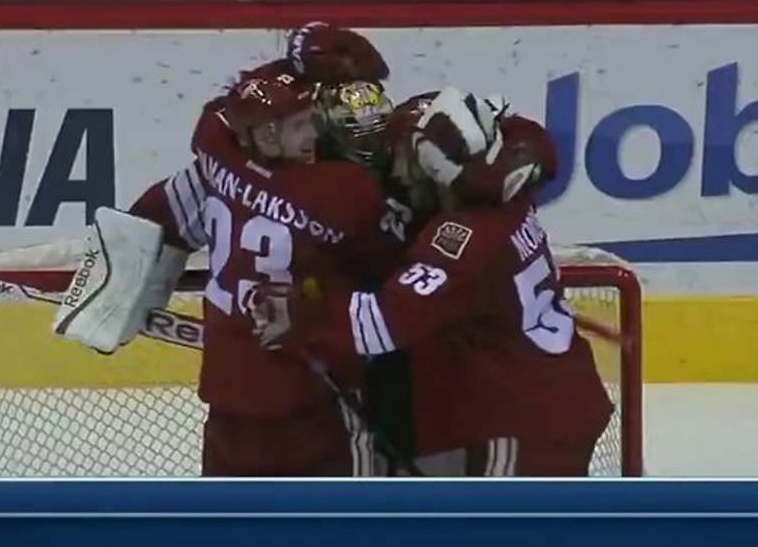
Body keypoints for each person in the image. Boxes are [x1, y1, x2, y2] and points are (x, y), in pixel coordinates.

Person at [57, 66, 407, 477]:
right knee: (345, 515)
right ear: (267, 135)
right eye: (300, 126)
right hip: (314, 397)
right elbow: (388, 272)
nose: (312, 134)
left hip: (228, 391)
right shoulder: (342, 190)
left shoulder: (217, 155)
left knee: (226, 512)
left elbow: (215, 121)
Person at [257, 88, 614, 476]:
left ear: (435, 168)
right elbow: (520, 135)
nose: (398, 173)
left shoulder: (464, 239)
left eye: (407, 161)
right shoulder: (508, 195)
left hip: (525, 419)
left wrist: (301, 313)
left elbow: (379, 324)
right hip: (556, 400)